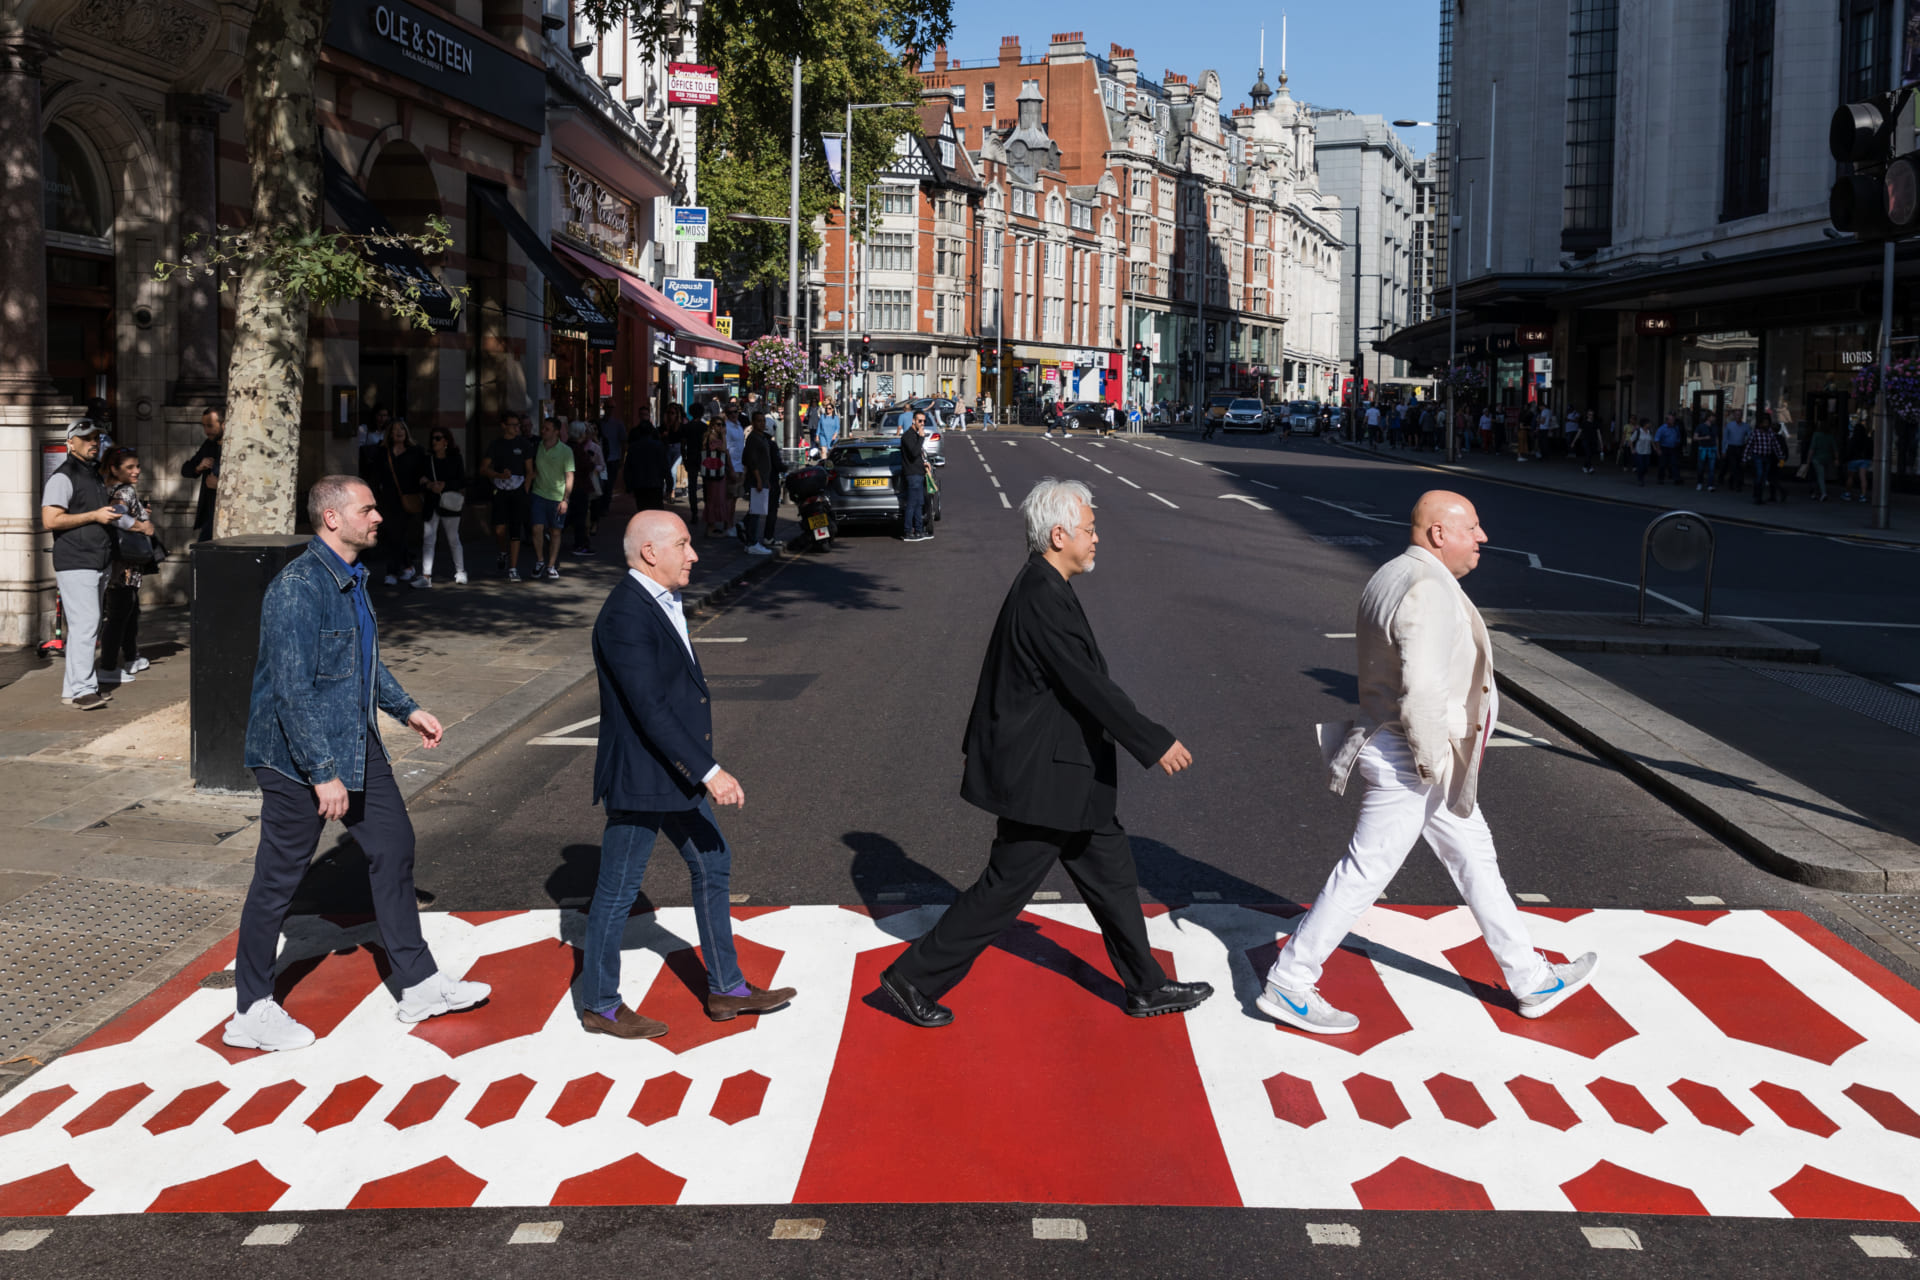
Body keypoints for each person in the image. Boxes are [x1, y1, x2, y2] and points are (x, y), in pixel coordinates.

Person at [1259, 491, 1598, 1035]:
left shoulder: (1391, 573)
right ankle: (1290, 980)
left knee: (1476, 860)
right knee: (1365, 870)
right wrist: (1434, 762)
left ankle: (1530, 977)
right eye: (1473, 529)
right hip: (1412, 758)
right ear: (1439, 534)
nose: (1482, 538)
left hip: (1413, 753)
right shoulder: (1427, 589)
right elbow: (1420, 691)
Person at [879, 479, 1212, 1029]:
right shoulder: (1040, 594)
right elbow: (1088, 685)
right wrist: (1153, 742)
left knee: (1114, 878)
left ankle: (1146, 986)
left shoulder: (1045, 586)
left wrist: (974, 745)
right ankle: (914, 978)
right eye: (1090, 529)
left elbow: (998, 680)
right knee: (1003, 890)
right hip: (1047, 779)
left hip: (1070, 776)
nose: (1097, 538)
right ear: (1059, 535)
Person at [226, 476, 488, 1051]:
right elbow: (292, 693)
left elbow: (363, 661)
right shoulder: (298, 588)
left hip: (354, 739)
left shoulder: (350, 578)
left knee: (393, 848)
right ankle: (250, 1009)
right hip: (296, 755)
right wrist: (323, 772)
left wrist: (407, 708)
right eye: (367, 509)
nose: (378, 518)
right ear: (332, 518)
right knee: (279, 879)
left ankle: (418, 984)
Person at [581, 509, 798, 1038]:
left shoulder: (659, 599)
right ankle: (601, 1004)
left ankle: (727, 989)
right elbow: (649, 706)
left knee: (713, 862)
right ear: (651, 552)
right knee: (618, 889)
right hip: (644, 777)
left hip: (672, 775)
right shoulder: (625, 614)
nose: (695, 555)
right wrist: (709, 771)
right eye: (683, 544)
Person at [42, 421, 131, 710]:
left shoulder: (92, 474)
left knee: (85, 625)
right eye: (85, 438)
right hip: (76, 560)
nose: (93, 442)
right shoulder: (63, 476)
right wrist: (94, 515)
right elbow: (50, 520)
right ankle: (83, 689)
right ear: (71, 442)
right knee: (86, 625)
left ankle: (72, 689)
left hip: (97, 560)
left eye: (95, 437)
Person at [97, 447, 157, 685]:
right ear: (114, 468)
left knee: (129, 609)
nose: (136, 471)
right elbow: (117, 515)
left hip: (114, 560)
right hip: (124, 563)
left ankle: (131, 656)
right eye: (130, 467)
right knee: (120, 612)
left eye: (138, 466)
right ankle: (109, 665)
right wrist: (143, 526)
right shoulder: (124, 491)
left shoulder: (103, 487)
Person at [360, 419, 426, 585]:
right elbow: (375, 476)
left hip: (407, 499)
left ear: (406, 432)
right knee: (392, 535)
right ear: (390, 433)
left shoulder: (415, 451)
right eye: (395, 429)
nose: (399, 432)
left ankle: (392, 572)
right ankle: (408, 565)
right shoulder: (383, 452)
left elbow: (422, 473)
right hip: (387, 500)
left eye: (402, 429)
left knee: (398, 534)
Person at [480, 412, 533, 580]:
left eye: (518, 425)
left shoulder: (524, 444)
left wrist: (525, 488)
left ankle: (513, 569)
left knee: (516, 529)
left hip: (518, 490)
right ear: (504, 426)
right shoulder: (496, 445)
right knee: (500, 528)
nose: (518, 428)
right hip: (501, 490)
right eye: (514, 425)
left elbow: (530, 471)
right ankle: (503, 552)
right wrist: (498, 475)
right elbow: (483, 469)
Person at [527, 417, 575, 580]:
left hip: (557, 497)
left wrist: (565, 499)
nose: (543, 431)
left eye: (547, 429)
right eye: (543, 428)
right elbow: (531, 468)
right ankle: (540, 561)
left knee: (555, 531)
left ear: (556, 431)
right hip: (538, 494)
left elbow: (569, 476)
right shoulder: (537, 446)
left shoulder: (566, 451)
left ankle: (551, 565)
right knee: (536, 528)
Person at [418, 427, 467, 586]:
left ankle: (460, 572)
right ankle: (426, 576)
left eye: (438, 438)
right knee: (428, 540)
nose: (434, 441)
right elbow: (420, 479)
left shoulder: (455, 458)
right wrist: (430, 485)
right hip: (432, 503)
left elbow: (461, 481)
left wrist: (444, 485)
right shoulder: (427, 459)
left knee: (453, 538)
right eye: (433, 438)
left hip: (449, 504)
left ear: (446, 441)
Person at [182, 407, 224, 541]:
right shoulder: (209, 445)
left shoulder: (236, 447)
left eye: (210, 426)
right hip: (209, 515)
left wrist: (220, 485)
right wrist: (199, 467)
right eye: (204, 426)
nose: (206, 431)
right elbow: (186, 470)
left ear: (224, 424)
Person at [741, 411, 777, 557]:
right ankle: (752, 543)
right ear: (753, 423)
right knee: (756, 512)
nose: (762, 424)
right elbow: (751, 461)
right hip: (757, 481)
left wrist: (766, 479)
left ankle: (749, 536)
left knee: (757, 511)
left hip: (763, 479)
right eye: (759, 421)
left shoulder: (761, 438)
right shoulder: (753, 439)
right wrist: (759, 480)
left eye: (763, 421)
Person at [565, 421, 602, 557]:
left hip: (572, 485)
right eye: (585, 432)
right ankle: (580, 545)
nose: (587, 434)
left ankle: (578, 542)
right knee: (579, 516)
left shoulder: (567, 446)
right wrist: (591, 461)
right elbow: (588, 466)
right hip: (579, 486)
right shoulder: (577, 449)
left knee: (574, 514)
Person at [624, 419, 671, 511]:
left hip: (639, 484)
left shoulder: (633, 447)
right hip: (655, 484)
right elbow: (665, 466)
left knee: (642, 510)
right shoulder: (659, 446)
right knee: (656, 511)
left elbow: (628, 468)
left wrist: (629, 486)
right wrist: (669, 484)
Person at [700, 414, 735, 538]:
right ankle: (710, 528)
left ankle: (713, 527)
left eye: (723, 425)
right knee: (714, 499)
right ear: (713, 426)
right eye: (718, 425)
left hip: (717, 472)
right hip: (713, 473)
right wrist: (724, 435)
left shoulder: (714, 436)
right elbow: (723, 449)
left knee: (717, 499)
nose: (721, 427)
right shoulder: (711, 436)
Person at [900, 410, 931, 542]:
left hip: (918, 472)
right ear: (913, 421)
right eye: (920, 421)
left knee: (919, 503)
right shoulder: (908, 436)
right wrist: (922, 437)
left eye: (924, 421)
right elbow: (913, 452)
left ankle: (919, 530)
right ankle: (907, 531)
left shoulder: (916, 435)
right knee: (912, 503)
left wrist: (924, 464)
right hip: (912, 474)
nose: (922, 423)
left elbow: (918, 455)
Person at [1747, 412, 1783, 503]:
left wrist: (1781, 457)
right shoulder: (1755, 433)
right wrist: (1745, 458)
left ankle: (1758, 495)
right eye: (1765, 423)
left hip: (1767, 457)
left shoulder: (1770, 434)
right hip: (1757, 456)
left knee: (1764, 477)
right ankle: (1757, 496)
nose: (1766, 425)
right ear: (1760, 424)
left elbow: (1776, 446)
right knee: (1759, 475)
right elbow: (1749, 445)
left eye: (1768, 423)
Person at [724, 408, 748, 537]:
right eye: (731, 412)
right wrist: (731, 468)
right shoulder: (727, 427)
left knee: (734, 499)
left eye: (736, 412)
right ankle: (728, 525)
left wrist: (744, 467)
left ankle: (730, 523)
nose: (734, 414)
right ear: (727, 414)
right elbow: (726, 449)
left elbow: (741, 446)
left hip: (740, 466)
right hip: (732, 466)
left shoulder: (739, 425)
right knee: (729, 498)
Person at [597, 400, 626, 494]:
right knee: (601, 483)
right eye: (608, 407)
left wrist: (622, 459)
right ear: (604, 408)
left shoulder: (618, 424)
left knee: (609, 485)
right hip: (601, 458)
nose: (610, 410)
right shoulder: (599, 423)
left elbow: (623, 442)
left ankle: (605, 505)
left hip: (613, 459)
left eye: (612, 407)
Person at [1844, 419, 1875, 503]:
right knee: (1863, 477)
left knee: (1850, 477)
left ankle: (1847, 493)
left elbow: (1849, 450)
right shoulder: (1868, 440)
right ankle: (1863, 495)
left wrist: (1847, 458)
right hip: (1865, 459)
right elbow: (1871, 450)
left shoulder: (1853, 439)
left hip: (1854, 459)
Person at [1807, 420, 1838, 501]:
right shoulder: (1830, 436)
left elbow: (1812, 448)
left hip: (1817, 458)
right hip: (1827, 458)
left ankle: (1823, 493)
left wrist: (1808, 460)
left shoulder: (1816, 435)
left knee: (1820, 476)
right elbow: (1835, 449)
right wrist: (1836, 458)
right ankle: (1816, 492)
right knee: (1821, 475)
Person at [1720, 412, 1751, 492]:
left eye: (1739, 415)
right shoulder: (1729, 425)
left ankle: (1735, 482)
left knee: (1740, 466)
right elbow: (1725, 439)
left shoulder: (1746, 426)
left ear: (1741, 416)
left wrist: (1747, 441)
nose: (1738, 416)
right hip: (1731, 447)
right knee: (1733, 466)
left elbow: (1750, 436)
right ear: (1734, 416)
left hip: (1741, 447)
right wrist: (1723, 450)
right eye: (1736, 415)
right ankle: (1735, 484)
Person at [1692, 412, 1720, 492]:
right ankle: (1699, 483)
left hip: (1712, 449)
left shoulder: (1715, 427)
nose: (1714, 418)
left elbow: (1716, 439)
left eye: (1714, 417)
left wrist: (1718, 451)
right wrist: (1704, 438)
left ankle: (1710, 485)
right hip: (1703, 449)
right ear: (1708, 418)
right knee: (1701, 467)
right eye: (1712, 417)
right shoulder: (1700, 426)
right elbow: (1695, 438)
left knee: (1712, 468)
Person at [1653, 414, 1681, 484]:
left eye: (1673, 420)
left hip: (1673, 448)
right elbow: (1657, 439)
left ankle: (1676, 479)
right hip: (1664, 447)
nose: (1673, 421)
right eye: (1671, 420)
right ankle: (1660, 479)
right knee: (1662, 464)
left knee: (1674, 463)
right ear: (1667, 421)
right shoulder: (1662, 429)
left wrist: (1677, 443)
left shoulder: (1676, 428)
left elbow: (1678, 437)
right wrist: (1658, 449)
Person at [1631, 418, 1655, 486]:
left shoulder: (1649, 431)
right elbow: (1631, 440)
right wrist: (1632, 449)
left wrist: (1655, 448)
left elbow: (1651, 440)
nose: (1650, 424)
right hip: (1639, 452)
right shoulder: (1638, 431)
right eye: (1648, 423)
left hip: (1647, 452)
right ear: (1645, 424)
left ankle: (1641, 474)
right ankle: (1640, 479)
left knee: (1646, 466)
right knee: (1641, 466)